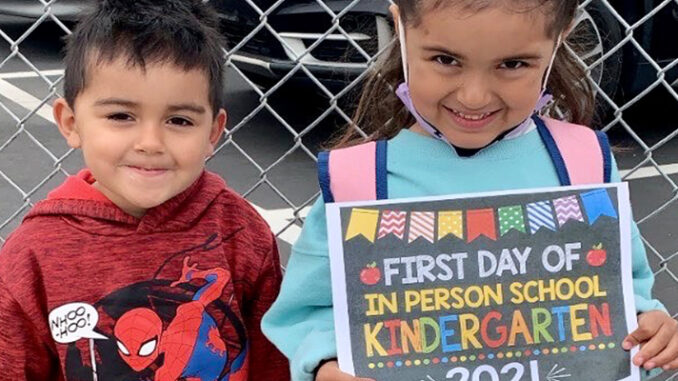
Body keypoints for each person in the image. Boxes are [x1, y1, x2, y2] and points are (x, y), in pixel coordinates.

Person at [261, 1, 678, 380]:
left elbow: (622, 291)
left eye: (513, 64)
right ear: (401, 28)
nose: (474, 97)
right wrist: (326, 364)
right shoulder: (359, 181)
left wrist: (652, 328)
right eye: (446, 60)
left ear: (560, 39)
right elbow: (308, 314)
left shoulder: (582, 164)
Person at [0, 0, 289, 380]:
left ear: (213, 133)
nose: (150, 142)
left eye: (179, 120)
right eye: (121, 116)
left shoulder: (241, 232)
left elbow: (274, 363)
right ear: (70, 122)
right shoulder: (32, 255)